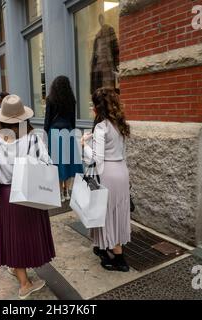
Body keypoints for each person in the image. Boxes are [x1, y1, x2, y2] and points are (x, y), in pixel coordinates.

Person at [0, 94, 56, 299]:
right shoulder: (33, 138)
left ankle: (17, 268)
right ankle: (25, 284)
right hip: (29, 191)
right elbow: (47, 163)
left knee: (13, 236)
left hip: (6, 193)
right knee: (27, 236)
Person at [81, 87, 131, 272]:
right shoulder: (119, 123)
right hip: (121, 172)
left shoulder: (102, 126)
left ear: (97, 106)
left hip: (107, 173)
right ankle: (102, 246)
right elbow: (117, 149)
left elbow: (94, 159)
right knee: (117, 213)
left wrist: (84, 144)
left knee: (107, 214)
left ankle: (119, 259)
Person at [44, 76, 83, 202]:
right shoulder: (71, 99)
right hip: (68, 131)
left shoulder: (50, 99)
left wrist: (46, 133)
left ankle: (60, 192)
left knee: (57, 162)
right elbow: (73, 119)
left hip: (54, 132)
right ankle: (66, 191)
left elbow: (47, 119)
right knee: (67, 162)